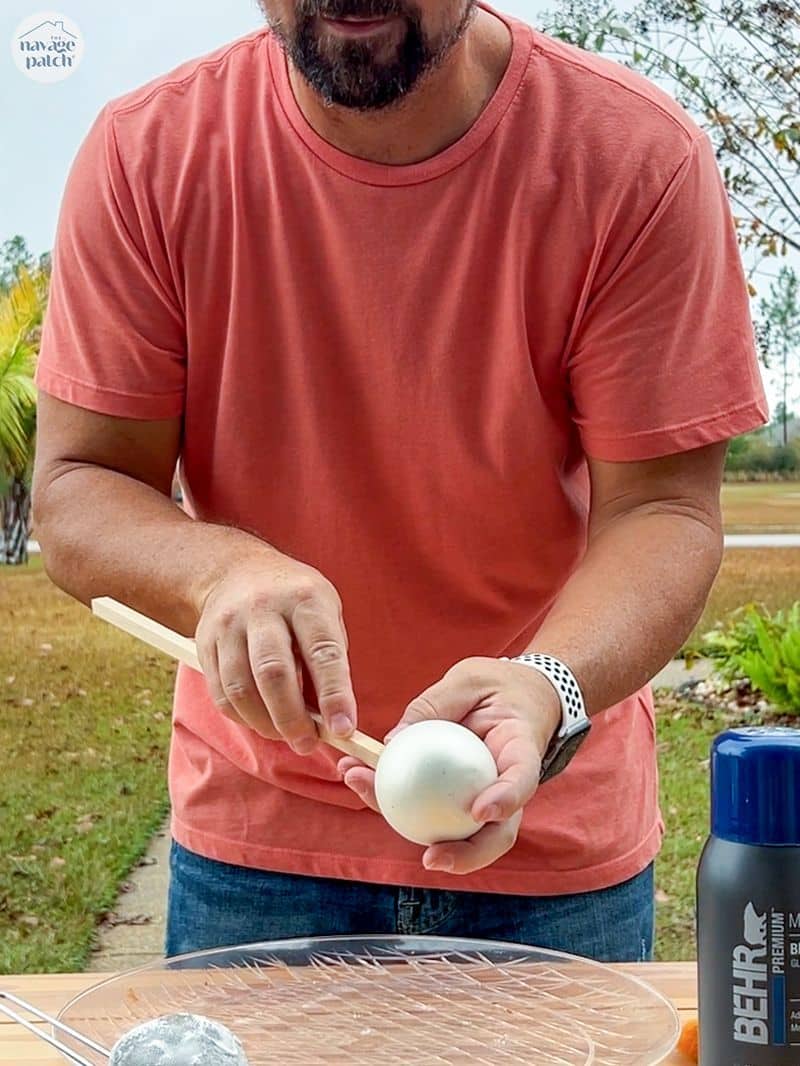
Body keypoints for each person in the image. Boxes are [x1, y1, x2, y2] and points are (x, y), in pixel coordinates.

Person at [33, 0, 768, 963]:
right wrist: (220, 572)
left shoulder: (633, 157)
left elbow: (665, 510)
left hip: (545, 838)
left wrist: (549, 686)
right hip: (260, 848)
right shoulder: (148, 155)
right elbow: (79, 485)